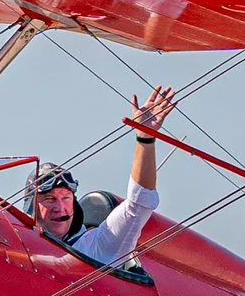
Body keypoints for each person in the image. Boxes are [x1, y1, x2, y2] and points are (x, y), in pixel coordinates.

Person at [30, 85, 178, 267]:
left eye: (66, 197)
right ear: (32, 205)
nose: (60, 208)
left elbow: (140, 202)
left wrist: (145, 138)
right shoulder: (19, 242)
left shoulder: (97, 245)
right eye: (50, 199)